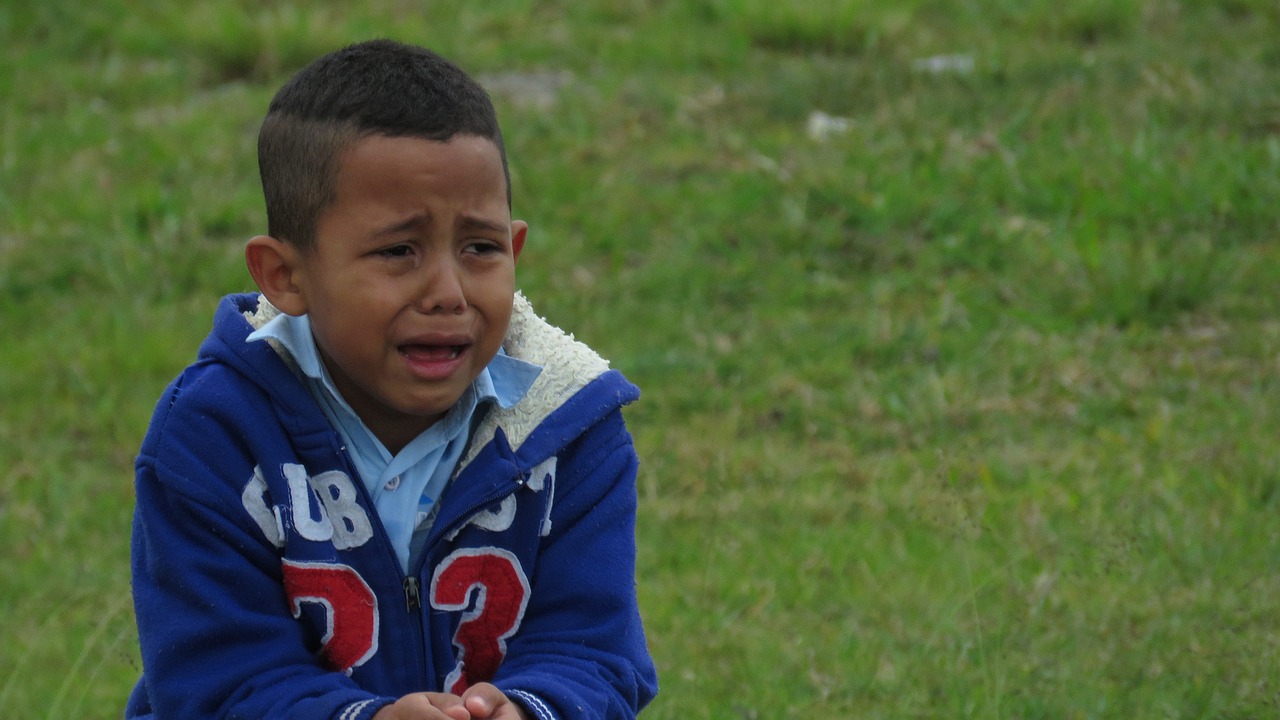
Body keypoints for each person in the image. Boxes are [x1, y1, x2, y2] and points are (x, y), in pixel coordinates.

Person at [127, 39, 658, 720]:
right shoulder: (214, 434)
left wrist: (531, 707)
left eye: (480, 248)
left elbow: (594, 650)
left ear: (515, 248)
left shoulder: (568, 426)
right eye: (399, 251)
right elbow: (217, 681)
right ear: (285, 277)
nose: (448, 291)